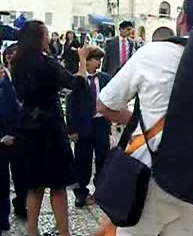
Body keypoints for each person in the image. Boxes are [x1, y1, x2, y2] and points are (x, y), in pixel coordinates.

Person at [96, 0, 193, 236]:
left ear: (181, 19)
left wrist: (137, 119)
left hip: (146, 175)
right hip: (191, 179)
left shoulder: (152, 53)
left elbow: (105, 105)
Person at [12, 20, 88, 236]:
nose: (48, 39)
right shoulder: (47, 63)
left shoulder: (17, 62)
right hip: (50, 127)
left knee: (34, 185)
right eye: (46, 35)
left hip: (27, 125)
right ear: (39, 38)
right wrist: (82, 59)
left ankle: (32, 230)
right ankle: (64, 232)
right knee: (57, 185)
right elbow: (76, 84)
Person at [66, 46, 111, 208]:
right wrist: (71, 128)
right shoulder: (78, 78)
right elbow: (70, 104)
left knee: (102, 158)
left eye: (100, 59)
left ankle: (100, 191)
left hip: (101, 124)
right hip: (83, 125)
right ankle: (81, 192)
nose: (98, 63)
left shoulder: (105, 78)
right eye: (96, 59)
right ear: (88, 60)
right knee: (82, 160)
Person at [0, 44, 27, 232]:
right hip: (2, 140)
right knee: (1, 181)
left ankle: (21, 206)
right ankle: (2, 217)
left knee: (23, 177)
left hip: (22, 137)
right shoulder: (3, 81)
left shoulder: (27, 79)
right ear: (8, 58)